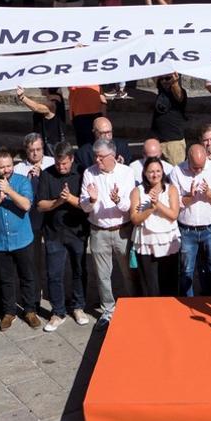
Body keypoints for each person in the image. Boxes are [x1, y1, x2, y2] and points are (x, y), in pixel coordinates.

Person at [0, 149, 40, 331]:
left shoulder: (22, 181)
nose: (6, 170)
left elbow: (27, 205)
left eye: (8, 166)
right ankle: (9, 312)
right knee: (6, 279)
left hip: (22, 239)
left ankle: (30, 310)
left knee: (27, 276)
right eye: (1, 167)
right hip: (0, 242)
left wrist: (9, 191)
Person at [81, 139, 136, 324]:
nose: (97, 160)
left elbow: (130, 205)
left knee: (129, 271)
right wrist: (91, 199)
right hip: (99, 231)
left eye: (101, 157)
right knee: (103, 275)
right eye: (95, 156)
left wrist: (118, 200)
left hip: (122, 230)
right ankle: (108, 310)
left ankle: (134, 304)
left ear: (112, 156)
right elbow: (84, 207)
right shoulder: (89, 173)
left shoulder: (126, 172)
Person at [37, 141, 90, 330]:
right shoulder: (47, 174)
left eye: (65, 164)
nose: (61, 167)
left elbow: (87, 204)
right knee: (54, 274)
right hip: (54, 233)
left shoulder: (82, 173)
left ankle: (78, 306)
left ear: (72, 159)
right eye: (59, 164)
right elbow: (41, 204)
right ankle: (58, 312)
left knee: (79, 270)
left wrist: (70, 199)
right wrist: (60, 201)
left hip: (77, 231)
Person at [171, 143, 211, 296]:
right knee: (186, 270)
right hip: (187, 229)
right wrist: (190, 196)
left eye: (201, 167)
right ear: (188, 159)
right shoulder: (177, 171)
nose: (198, 171)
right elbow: (176, 203)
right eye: (195, 167)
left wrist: (208, 192)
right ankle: (187, 303)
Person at [129, 158, 181, 297]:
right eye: (151, 171)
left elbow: (174, 214)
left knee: (169, 282)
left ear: (162, 172)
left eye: (158, 171)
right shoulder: (137, 191)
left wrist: (157, 204)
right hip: (146, 241)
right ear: (145, 173)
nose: (155, 174)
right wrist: (150, 210)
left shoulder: (171, 189)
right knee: (150, 284)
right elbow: (134, 218)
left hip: (167, 240)